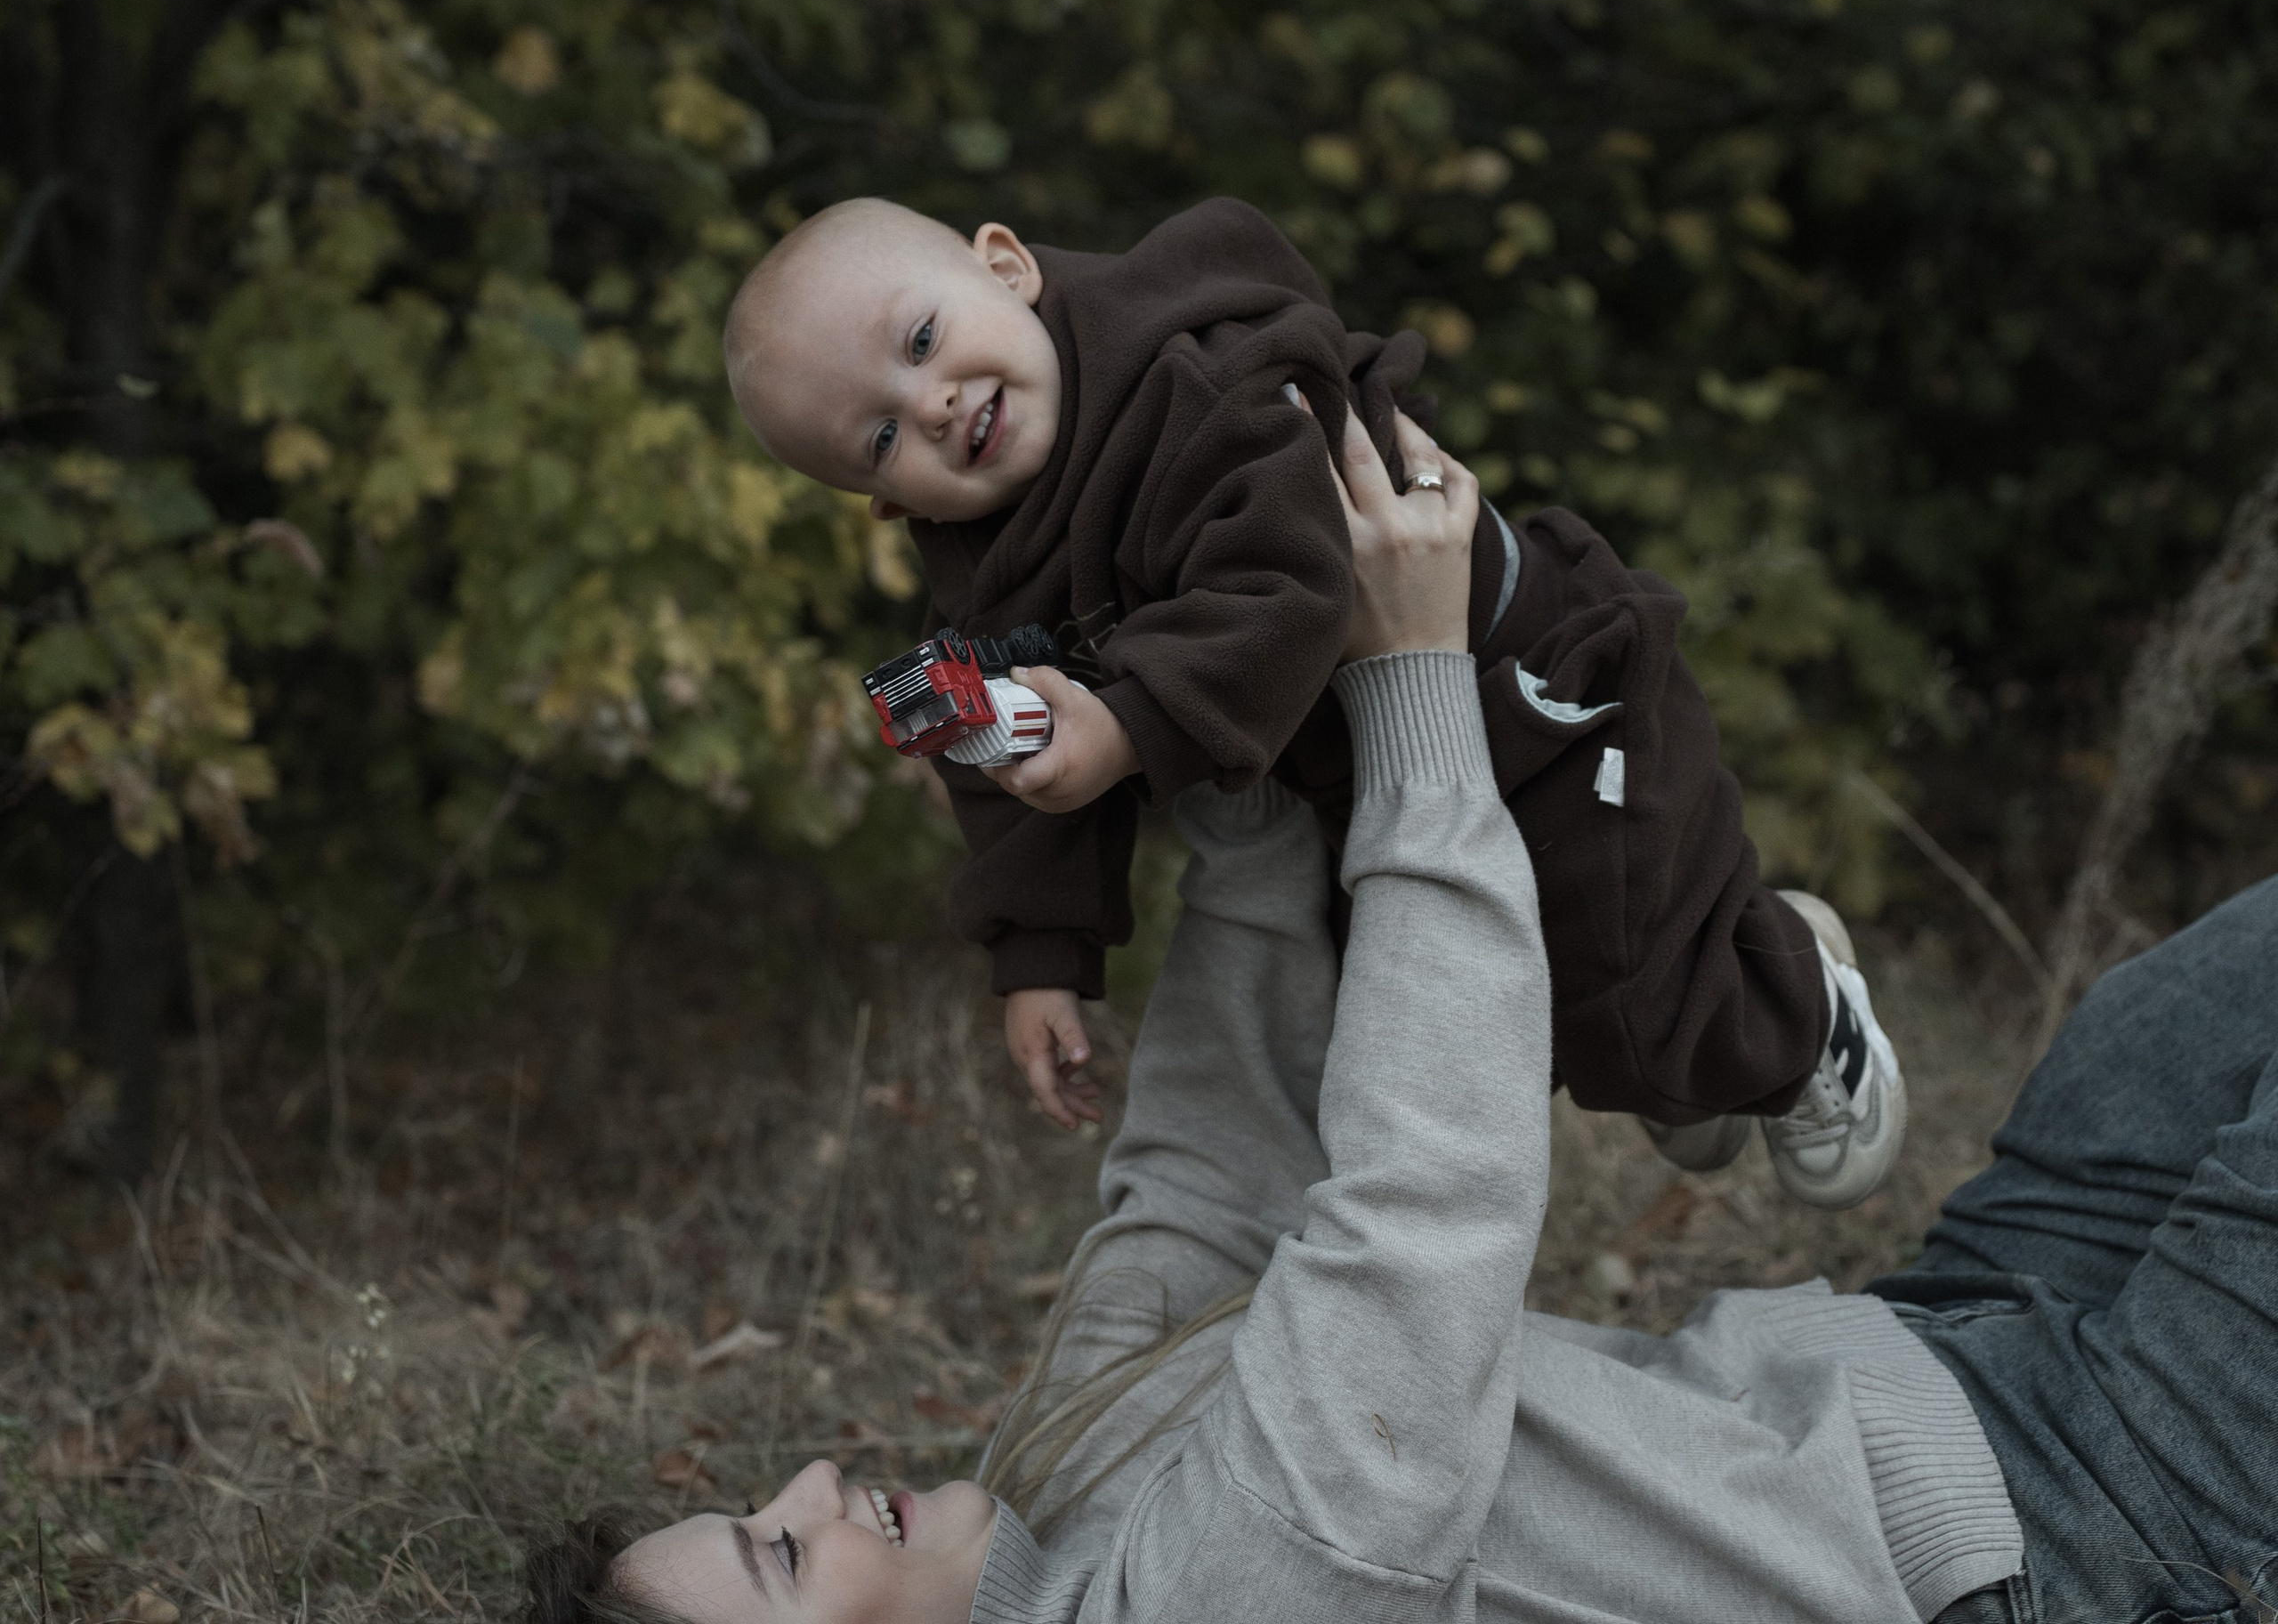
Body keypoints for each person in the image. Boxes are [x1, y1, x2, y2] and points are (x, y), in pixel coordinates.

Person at [508, 414, 2278, 1624]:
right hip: (2082, 1549)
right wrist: (1410, 679)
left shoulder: (1047, 1490)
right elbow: (1419, 1203)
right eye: (778, 1552)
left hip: (1940, 1364)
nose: (819, 1482)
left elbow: (1202, 1185)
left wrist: (1230, 771)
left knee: (2162, 1018)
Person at [722, 191, 1903, 1210]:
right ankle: (1700, 1023)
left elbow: (1294, 586)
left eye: (923, 339)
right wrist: (1040, 950)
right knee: (1471, 1012)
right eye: (879, 435)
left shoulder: (1198, 379)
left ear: (1006, 264)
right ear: (883, 502)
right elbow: (1011, 765)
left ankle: (1800, 1021)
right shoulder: (986, 559)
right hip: (1365, 776)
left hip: (1530, 692)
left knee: (1635, 976)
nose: (926, 404)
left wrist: (1128, 724)